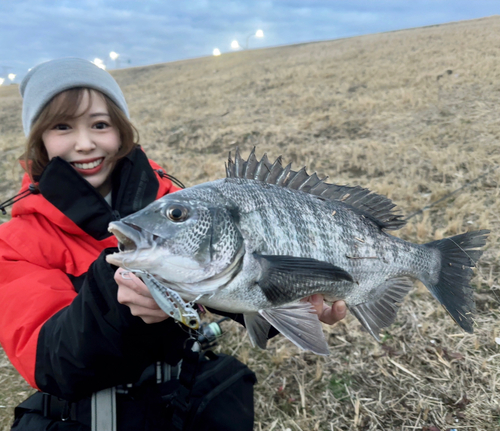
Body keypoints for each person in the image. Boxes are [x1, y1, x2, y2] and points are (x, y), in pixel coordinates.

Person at [0, 58, 347, 431]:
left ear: (121, 130)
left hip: (181, 391)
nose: (85, 143)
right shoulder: (14, 243)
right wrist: (118, 295)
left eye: (100, 124)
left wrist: (293, 298)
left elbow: (233, 284)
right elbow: (49, 361)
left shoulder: (178, 205)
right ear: (38, 141)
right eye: (62, 127)